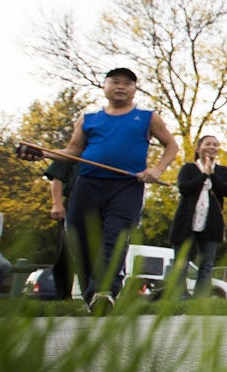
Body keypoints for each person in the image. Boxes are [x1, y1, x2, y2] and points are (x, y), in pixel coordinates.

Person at [20, 67, 179, 314]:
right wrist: (43, 153)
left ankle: (105, 291)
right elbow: (73, 152)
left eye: (128, 83)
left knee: (114, 236)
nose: (121, 86)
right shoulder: (89, 119)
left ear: (134, 89)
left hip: (127, 186)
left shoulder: (148, 117)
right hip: (88, 184)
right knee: (78, 239)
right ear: (105, 86)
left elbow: (171, 145)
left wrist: (157, 169)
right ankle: (93, 295)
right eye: (115, 81)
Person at [169, 135, 227, 299]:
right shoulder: (189, 168)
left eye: (216, 145)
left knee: (207, 263)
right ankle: (179, 296)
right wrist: (204, 174)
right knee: (181, 261)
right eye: (208, 144)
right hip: (187, 222)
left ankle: (200, 297)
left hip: (211, 223)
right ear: (198, 148)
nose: (212, 147)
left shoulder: (223, 171)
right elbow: (184, 188)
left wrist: (213, 174)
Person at [42, 154, 79, 299]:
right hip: (75, 201)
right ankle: (63, 296)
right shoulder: (74, 150)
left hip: (107, 203)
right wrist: (56, 204)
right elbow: (57, 178)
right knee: (66, 251)